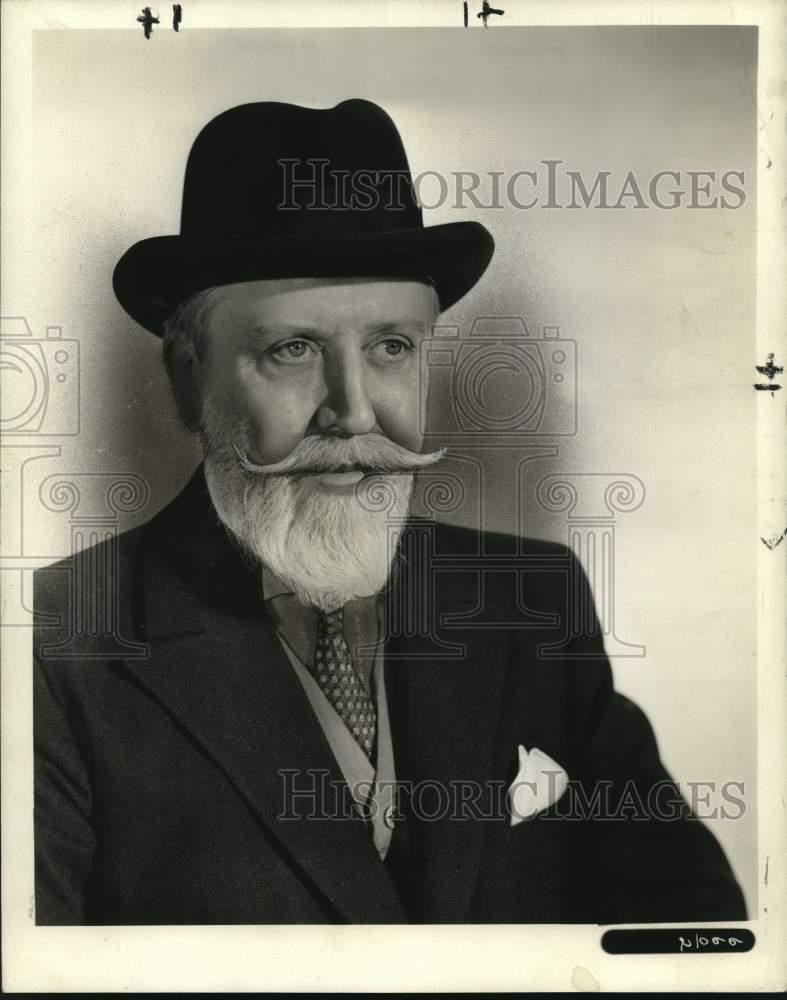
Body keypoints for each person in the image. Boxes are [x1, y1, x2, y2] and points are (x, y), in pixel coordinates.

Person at [34, 99, 746, 925]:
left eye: (391, 348)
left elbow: (698, 928)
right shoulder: (57, 646)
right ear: (190, 377)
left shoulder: (530, 599)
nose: (354, 412)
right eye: (291, 350)